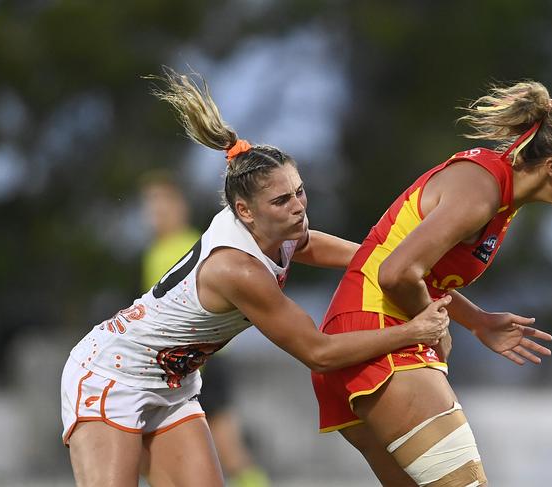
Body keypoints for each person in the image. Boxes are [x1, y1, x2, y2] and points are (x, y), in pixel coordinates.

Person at [59, 68, 453, 487]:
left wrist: (381, 260)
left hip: (174, 381)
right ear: (245, 211)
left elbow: (305, 243)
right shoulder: (238, 269)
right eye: (282, 200)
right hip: (112, 374)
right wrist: (413, 331)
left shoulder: (276, 229)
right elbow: (318, 352)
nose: (298, 207)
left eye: (299, 191)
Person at [311, 80, 552, 486]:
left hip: (360, 336)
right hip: (381, 339)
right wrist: (434, 325)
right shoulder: (482, 190)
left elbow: (412, 269)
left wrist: (477, 320)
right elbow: (397, 274)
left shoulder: (497, 192)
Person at [140, 172, 270, 487]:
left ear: (179, 207)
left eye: (161, 207)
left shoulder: (195, 244)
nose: (155, 216)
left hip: (204, 360)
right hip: (174, 365)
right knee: (152, 452)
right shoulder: (152, 253)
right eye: (150, 209)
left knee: (229, 451)